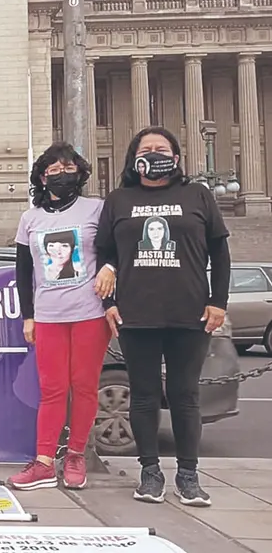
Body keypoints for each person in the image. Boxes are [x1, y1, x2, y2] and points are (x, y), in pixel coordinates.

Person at [95, 126, 230, 508]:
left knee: (185, 396)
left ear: (175, 157)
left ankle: (188, 475)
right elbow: (104, 252)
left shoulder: (198, 196)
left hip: (189, 313)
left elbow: (219, 254)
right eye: (147, 148)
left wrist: (218, 301)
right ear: (134, 158)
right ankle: (149, 472)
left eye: (162, 148)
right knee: (144, 396)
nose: (155, 154)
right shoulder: (119, 200)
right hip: (136, 314)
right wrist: (109, 298)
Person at [7, 143, 114, 492]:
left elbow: (114, 251)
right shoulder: (30, 218)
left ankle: (75, 456)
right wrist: (29, 316)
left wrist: (110, 269)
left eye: (68, 167)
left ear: (80, 173)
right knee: (52, 390)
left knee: (84, 387)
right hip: (49, 315)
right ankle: (42, 463)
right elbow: (23, 271)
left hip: (89, 313)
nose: (61, 173)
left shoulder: (96, 209)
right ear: (42, 176)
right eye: (53, 169)